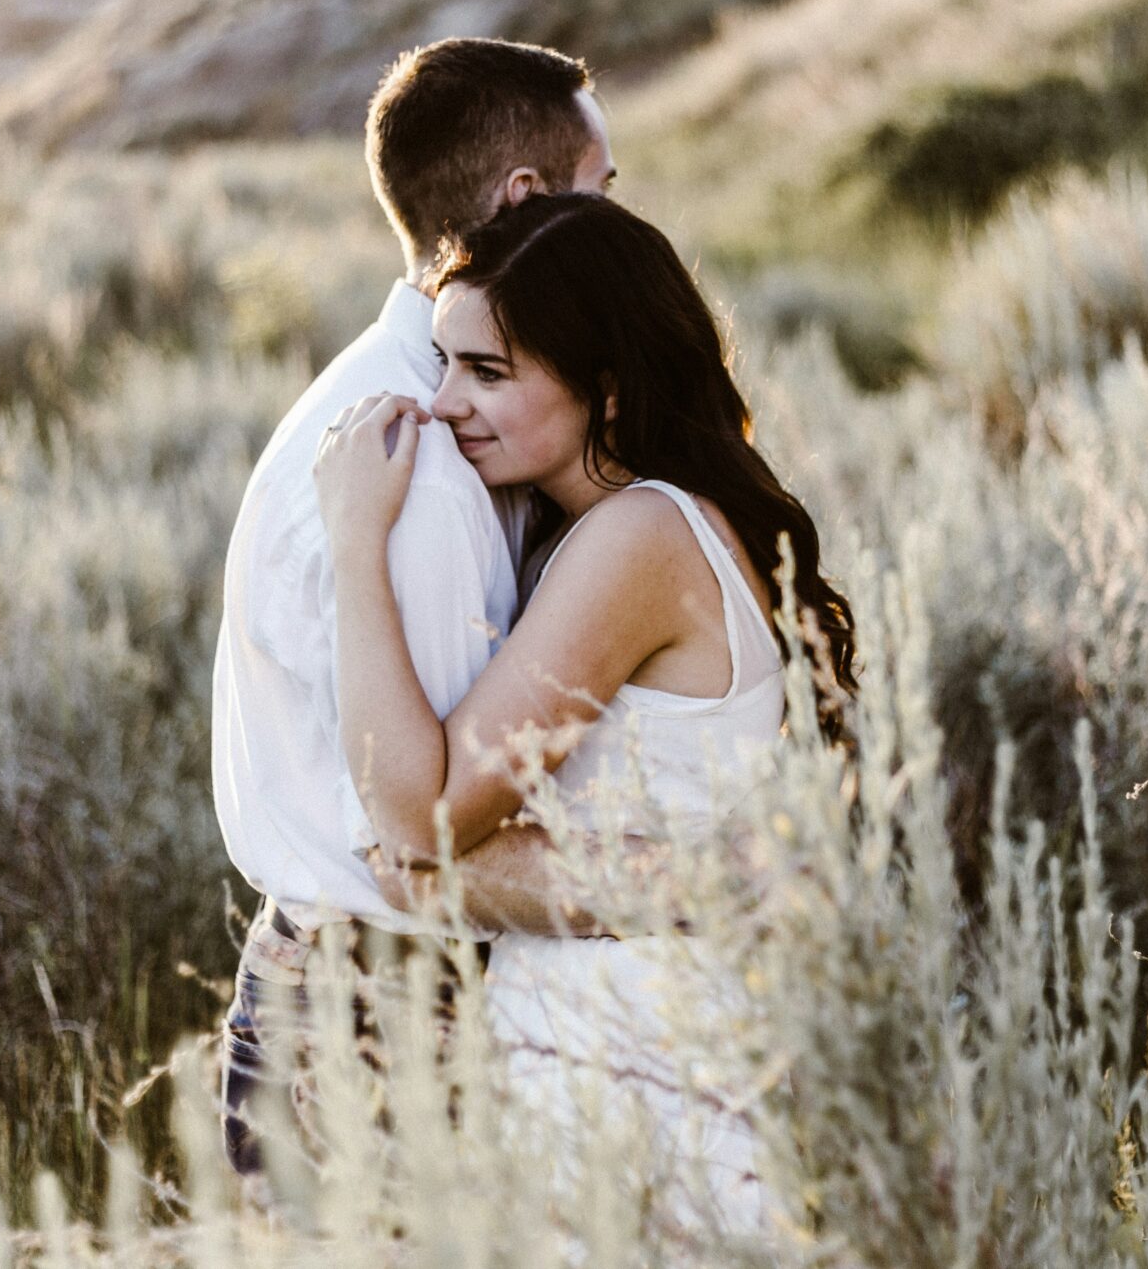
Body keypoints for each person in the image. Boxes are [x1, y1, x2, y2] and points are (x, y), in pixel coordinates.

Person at [312, 191, 858, 1227]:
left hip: (632, 1050)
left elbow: (418, 816)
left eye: (487, 371)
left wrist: (353, 543)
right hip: (636, 1029)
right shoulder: (638, 526)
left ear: (603, 390)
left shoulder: (639, 538)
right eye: (441, 363)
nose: (441, 402)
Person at [209, 37, 616, 1179]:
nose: (627, 227)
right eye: (605, 192)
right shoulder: (420, 472)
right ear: (525, 202)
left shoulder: (410, 413)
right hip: (383, 1031)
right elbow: (436, 832)